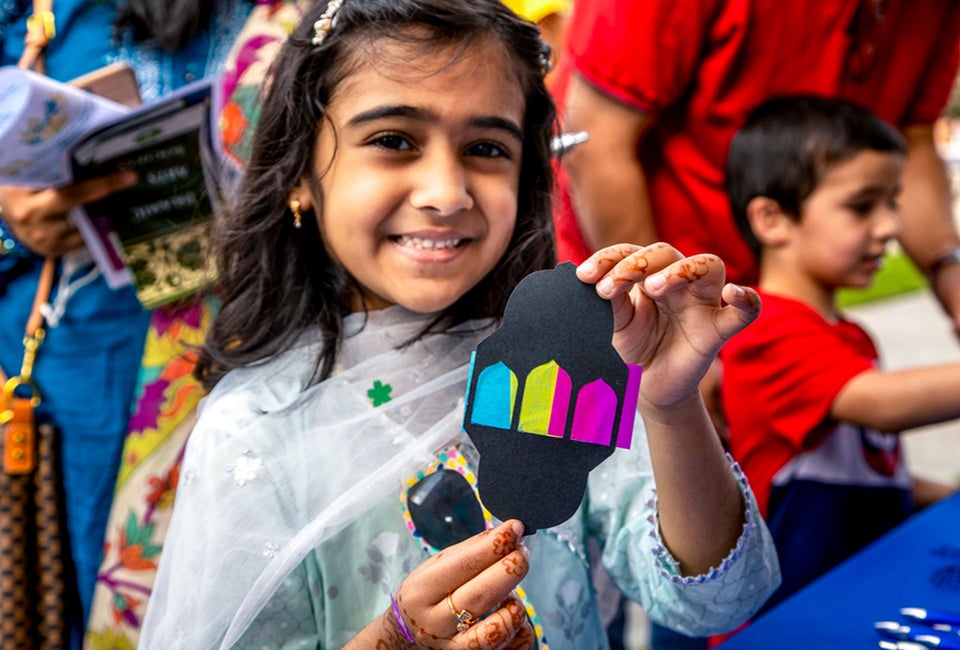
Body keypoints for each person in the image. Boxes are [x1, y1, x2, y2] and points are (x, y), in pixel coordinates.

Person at [139, 1, 782, 647]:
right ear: (300, 173)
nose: (447, 193)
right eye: (393, 141)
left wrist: (670, 408)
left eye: (485, 148)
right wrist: (392, 640)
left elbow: (720, 601)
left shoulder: (561, 368)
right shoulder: (256, 429)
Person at [0, 1, 252, 646]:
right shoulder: (30, 15)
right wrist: (12, 222)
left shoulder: (302, 16)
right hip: (71, 392)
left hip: (260, 369)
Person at [552, 0, 960, 338]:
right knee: (585, 428)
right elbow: (597, 144)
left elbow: (913, 139)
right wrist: (669, 328)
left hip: (747, 310)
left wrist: (949, 269)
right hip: (612, 293)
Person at [721, 95, 960, 617]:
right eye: (862, 205)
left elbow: (863, 473)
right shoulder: (763, 331)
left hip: (858, 595)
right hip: (788, 618)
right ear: (772, 219)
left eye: (893, 202)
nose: (889, 227)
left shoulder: (850, 335)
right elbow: (882, 405)